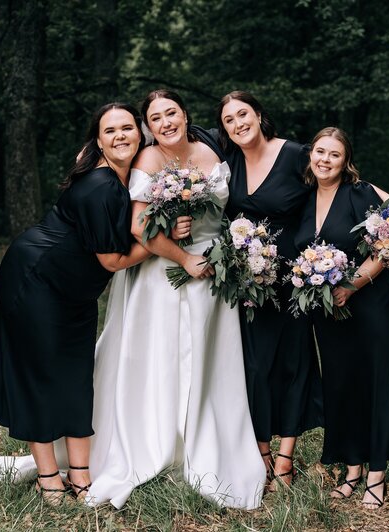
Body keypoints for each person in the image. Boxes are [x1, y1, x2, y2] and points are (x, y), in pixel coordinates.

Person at [86, 89, 266, 509]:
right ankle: (160, 441)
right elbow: (138, 226)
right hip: (165, 274)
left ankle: (206, 442)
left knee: (209, 361)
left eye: (172, 113)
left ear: (185, 115)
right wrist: (184, 256)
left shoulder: (210, 149)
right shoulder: (149, 160)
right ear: (148, 126)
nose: (166, 122)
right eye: (156, 117)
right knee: (163, 358)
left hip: (215, 275)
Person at [0, 102, 151, 505]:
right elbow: (112, 260)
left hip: (75, 290)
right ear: (98, 141)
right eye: (110, 131)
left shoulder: (130, 181)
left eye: (127, 128)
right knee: (41, 377)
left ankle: (81, 475)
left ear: (140, 135)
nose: (121, 136)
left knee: (76, 377)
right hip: (34, 280)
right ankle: (48, 477)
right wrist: (162, 247)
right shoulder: (101, 185)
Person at [292, 127, 389, 508]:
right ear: (311, 155)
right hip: (329, 310)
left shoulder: (361, 193)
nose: (325, 160)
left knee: (377, 380)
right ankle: (352, 469)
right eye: (320, 152)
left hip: (371, 302)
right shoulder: (303, 198)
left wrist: (354, 283)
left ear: (346, 162)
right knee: (341, 384)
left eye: (334, 155)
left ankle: (377, 474)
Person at [216, 91, 323, 489]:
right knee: (254, 368)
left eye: (243, 113)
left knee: (295, 365)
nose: (238, 123)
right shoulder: (228, 165)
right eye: (229, 120)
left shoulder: (296, 154)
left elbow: (334, 184)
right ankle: (260, 453)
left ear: (259, 114)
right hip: (249, 284)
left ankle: (284, 460)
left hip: (294, 280)